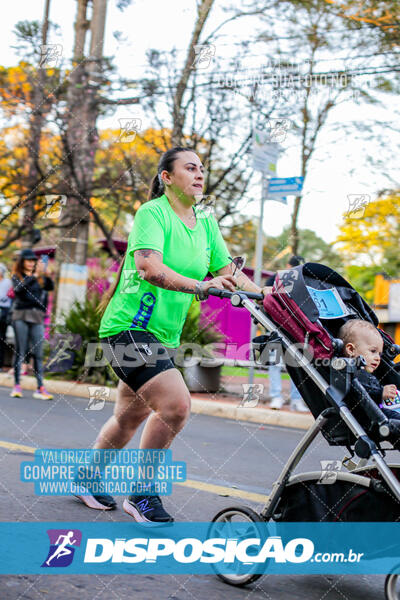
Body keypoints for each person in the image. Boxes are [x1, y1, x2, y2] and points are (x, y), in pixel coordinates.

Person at [75, 146, 270, 522]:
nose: (199, 174)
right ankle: (143, 495)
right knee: (175, 406)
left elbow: (229, 270)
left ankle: (86, 476)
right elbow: (149, 267)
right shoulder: (153, 213)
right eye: (190, 168)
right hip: (129, 329)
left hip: (163, 335)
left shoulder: (206, 221)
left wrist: (268, 296)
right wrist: (203, 286)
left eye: (202, 168)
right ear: (167, 177)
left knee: (128, 417)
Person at [10, 249, 54, 400]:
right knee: (20, 350)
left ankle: (40, 387)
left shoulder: (40, 278)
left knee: (38, 352)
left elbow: (50, 287)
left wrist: (45, 274)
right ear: (22, 262)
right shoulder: (17, 276)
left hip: (37, 317)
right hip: (21, 315)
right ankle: (17, 385)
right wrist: (33, 276)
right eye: (28, 260)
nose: (31, 263)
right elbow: (18, 290)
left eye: (33, 260)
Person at [266, 255, 308, 412]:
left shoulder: (301, 283)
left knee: (296, 365)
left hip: (295, 330)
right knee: (275, 363)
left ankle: (296, 400)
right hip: (275, 328)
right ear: (288, 265)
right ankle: (276, 397)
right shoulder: (273, 280)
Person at [339, 319, 400, 422]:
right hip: (370, 419)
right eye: (373, 351)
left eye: (379, 354)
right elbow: (356, 394)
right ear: (351, 350)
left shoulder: (365, 372)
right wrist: (381, 392)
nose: (378, 358)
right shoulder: (354, 373)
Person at [0, 263, 12, 371]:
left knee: (1, 338)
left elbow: (5, 297)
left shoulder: (7, 282)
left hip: (3, 312)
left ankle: (0, 363)